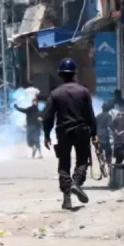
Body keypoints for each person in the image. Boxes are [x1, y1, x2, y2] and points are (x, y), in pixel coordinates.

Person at [42, 58, 97, 210]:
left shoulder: (55, 93)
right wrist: (94, 133)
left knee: (64, 165)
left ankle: (67, 198)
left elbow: (48, 116)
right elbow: (90, 114)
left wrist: (46, 134)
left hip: (63, 132)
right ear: (74, 74)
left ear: (60, 74)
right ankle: (76, 184)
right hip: (82, 131)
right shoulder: (84, 91)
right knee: (82, 161)